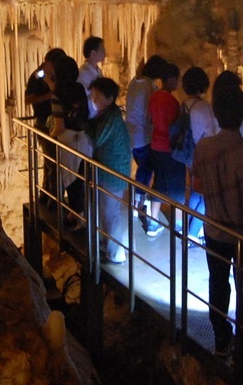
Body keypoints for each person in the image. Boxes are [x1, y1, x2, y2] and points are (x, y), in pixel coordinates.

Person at [191, 85, 243, 363]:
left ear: (215, 113)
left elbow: (196, 184)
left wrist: (218, 194)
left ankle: (222, 340)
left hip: (215, 228)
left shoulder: (203, 147)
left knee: (218, 284)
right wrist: (240, 197)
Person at [86, 77, 131, 264]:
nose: (94, 99)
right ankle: (108, 245)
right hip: (108, 170)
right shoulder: (107, 114)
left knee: (111, 213)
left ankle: (116, 253)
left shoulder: (111, 118)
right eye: (93, 96)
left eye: (97, 96)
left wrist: (84, 125)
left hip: (113, 172)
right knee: (106, 211)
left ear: (110, 98)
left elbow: (97, 139)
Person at [125, 55, 166, 232]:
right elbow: (151, 113)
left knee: (143, 169)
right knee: (146, 170)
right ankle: (138, 204)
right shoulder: (148, 87)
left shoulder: (134, 82)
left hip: (131, 135)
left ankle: (138, 202)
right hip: (144, 136)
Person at [49, 55, 90, 225]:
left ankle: (79, 217)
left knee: (70, 179)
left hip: (68, 140)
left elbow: (59, 125)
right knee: (81, 177)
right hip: (84, 137)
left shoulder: (57, 93)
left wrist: (51, 135)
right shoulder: (79, 88)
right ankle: (78, 213)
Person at [180, 66, 218, 244]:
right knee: (207, 195)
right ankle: (193, 233)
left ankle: (187, 226)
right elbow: (211, 133)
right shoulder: (203, 107)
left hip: (188, 153)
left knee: (196, 190)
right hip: (203, 153)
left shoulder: (184, 104)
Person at [25, 48, 68, 204]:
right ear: (49, 63)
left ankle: (46, 194)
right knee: (54, 162)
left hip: (57, 123)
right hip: (44, 123)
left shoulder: (57, 75)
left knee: (50, 161)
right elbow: (28, 99)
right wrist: (49, 96)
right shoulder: (38, 76)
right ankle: (55, 200)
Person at [147, 62, 185, 237]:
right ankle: (178, 224)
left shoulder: (154, 96)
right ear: (170, 80)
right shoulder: (171, 101)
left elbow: (149, 119)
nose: (178, 83)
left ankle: (153, 222)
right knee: (177, 187)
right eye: (176, 80)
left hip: (156, 145)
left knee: (159, 182)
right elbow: (174, 125)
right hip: (169, 148)